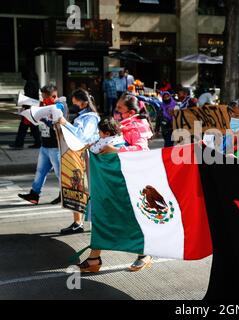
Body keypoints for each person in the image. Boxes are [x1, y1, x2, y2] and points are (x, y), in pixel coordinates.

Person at [78, 93, 154, 273]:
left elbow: (141, 150)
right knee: (103, 214)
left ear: (131, 112)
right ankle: (94, 258)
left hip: (129, 179)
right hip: (110, 178)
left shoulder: (139, 125)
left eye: (120, 109)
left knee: (127, 216)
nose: (116, 111)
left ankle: (144, 253)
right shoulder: (122, 124)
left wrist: (115, 150)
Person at [58, 89, 100, 234]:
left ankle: (92, 221)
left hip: (86, 156)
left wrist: (66, 124)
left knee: (85, 188)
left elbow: (83, 136)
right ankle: (77, 222)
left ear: (83, 102)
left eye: (75, 101)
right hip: (77, 154)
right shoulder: (83, 116)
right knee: (76, 187)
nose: (73, 103)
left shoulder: (91, 117)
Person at [18, 85, 67, 205]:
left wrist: (43, 118)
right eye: (43, 97)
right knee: (40, 171)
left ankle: (65, 195)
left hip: (55, 147)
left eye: (46, 97)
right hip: (45, 146)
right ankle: (34, 195)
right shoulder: (45, 106)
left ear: (54, 96)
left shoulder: (60, 106)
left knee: (60, 173)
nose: (43, 100)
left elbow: (56, 124)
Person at [10, 69, 41, 149]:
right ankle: (38, 142)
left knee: (23, 127)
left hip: (29, 108)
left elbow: (28, 96)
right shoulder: (35, 82)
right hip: (33, 107)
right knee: (33, 126)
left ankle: (19, 143)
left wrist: (24, 106)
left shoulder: (29, 83)